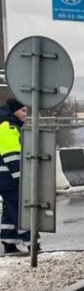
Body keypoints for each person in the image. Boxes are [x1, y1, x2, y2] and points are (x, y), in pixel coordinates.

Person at [0, 97, 30, 254]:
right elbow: (12, 156)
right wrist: (22, 179)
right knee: (21, 209)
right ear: (14, 111)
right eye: (23, 110)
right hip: (9, 177)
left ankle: (8, 240)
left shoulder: (9, 125)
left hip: (5, 179)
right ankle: (29, 241)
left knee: (10, 208)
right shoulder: (8, 127)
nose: (26, 114)